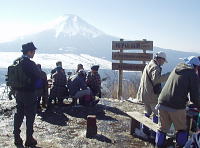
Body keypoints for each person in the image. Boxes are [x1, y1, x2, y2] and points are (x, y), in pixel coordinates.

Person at [155, 56, 200, 148]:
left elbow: (176, 88)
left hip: (162, 102)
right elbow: (195, 97)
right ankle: (181, 146)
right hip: (176, 106)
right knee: (182, 129)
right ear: (195, 66)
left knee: (162, 129)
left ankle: (158, 146)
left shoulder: (177, 68)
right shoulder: (192, 74)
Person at [13, 42, 42, 147]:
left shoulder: (16, 62)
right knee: (30, 117)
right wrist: (37, 88)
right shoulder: (30, 64)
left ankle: (17, 138)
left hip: (18, 93)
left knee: (19, 115)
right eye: (33, 51)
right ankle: (29, 139)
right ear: (29, 52)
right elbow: (39, 77)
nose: (34, 53)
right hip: (30, 94)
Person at [136, 51, 170, 138]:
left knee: (147, 112)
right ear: (160, 59)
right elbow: (156, 80)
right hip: (151, 96)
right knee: (156, 113)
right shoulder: (156, 67)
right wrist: (168, 75)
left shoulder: (149, 64)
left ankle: (144, 130)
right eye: (163, 61)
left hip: (145, 93)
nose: (163, 63)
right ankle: (154, 134)